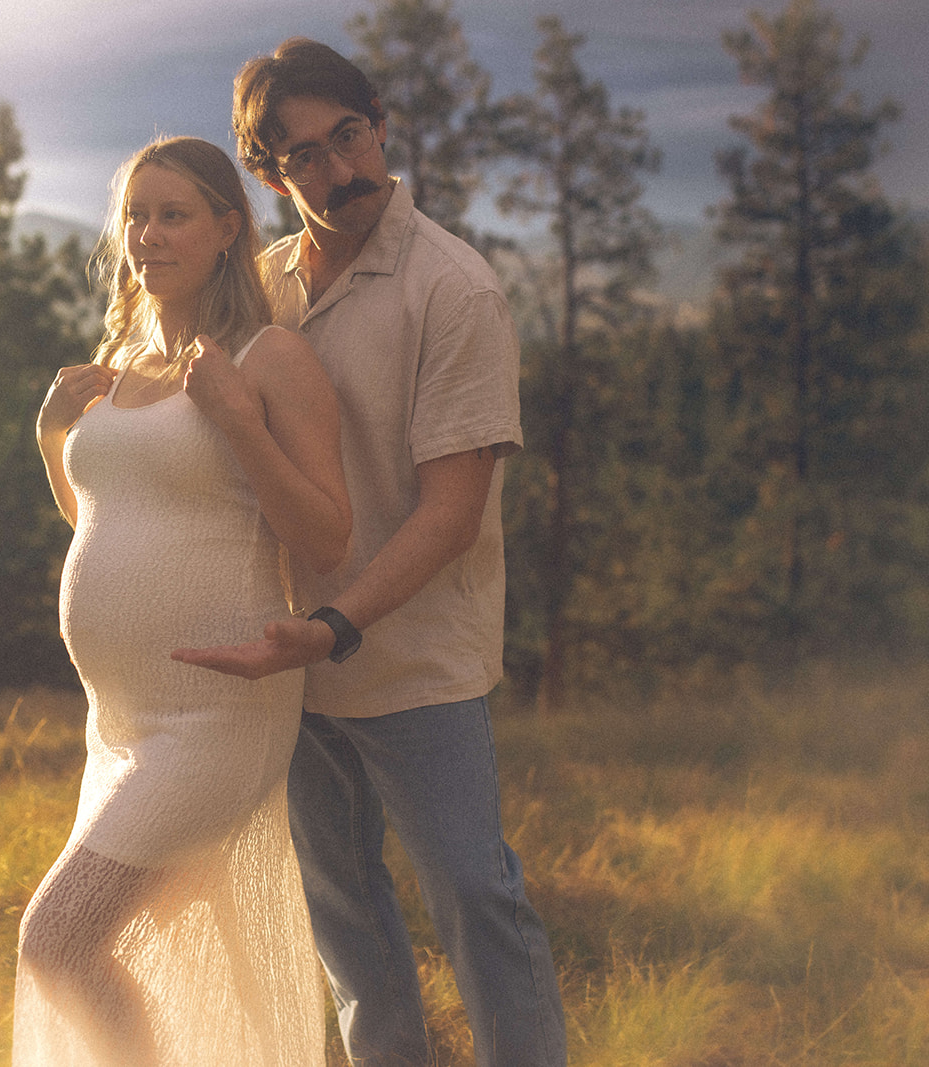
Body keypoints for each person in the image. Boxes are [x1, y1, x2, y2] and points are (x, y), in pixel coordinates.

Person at [173, 38, 568, 1066]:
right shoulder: (256, 291)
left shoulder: (453, 291)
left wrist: (335, 624)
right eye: (303, 155)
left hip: (412, 661)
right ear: (268, 174)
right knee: (350, 925)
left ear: (380, 125)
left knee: (476, 899)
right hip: (288, 669)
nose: (338, 169)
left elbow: (449, 512)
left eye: (346, 137)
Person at [13, 135, 350, 1067]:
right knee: (126, 953)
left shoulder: (269, 356)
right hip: (119, 720)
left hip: (216, 709)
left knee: (58, 939)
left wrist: (240, 418)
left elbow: (328, 535)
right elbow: (102, 522)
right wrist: (52, 437)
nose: (147, 234)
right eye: (135, 214)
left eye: (173, 214)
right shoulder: (117, 358)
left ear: (226, 231)